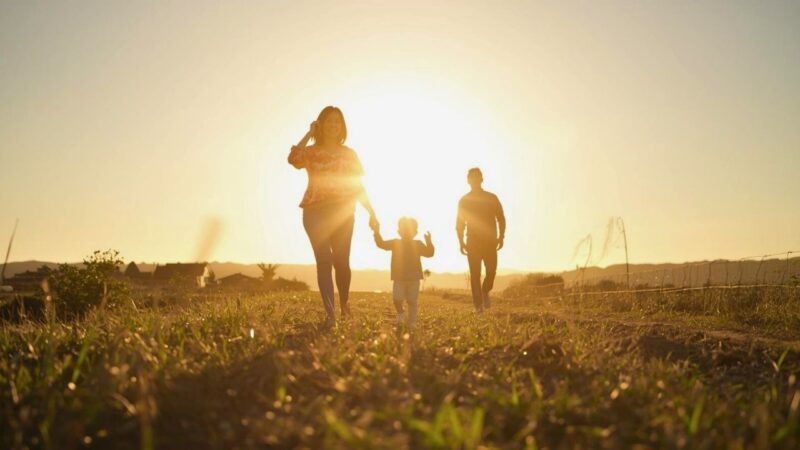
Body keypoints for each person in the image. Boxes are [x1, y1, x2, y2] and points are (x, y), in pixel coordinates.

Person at [288, 106, 378, 328]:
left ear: (342, 126)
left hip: (342, 213)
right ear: (320, 124)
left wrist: (372, 212)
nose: (333, 125)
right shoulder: (311, 151)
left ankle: (344, 303)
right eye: (328, 121)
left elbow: (357, 186)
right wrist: (309, 134)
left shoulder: (349, 154)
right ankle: (331, 315)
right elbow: (293, 158)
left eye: (337, 121)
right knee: (324, 261)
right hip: (314, 211)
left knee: (341, 262)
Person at [456, 168, 506, 312]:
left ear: (481, 179)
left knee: (491, 272)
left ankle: (485, 291)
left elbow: (501, 218)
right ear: (468, 180)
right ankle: (478, 306)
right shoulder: (464, 201)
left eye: (477, 177)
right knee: (475, 274)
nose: (474, 180)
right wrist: (461, 242)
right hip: (473, 242)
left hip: (490, 241)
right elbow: (459, 223)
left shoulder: (491, 197)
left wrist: (501, 237)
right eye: (471, 177)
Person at [373, 217, 434, 329]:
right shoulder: (395, 243)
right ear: (399, 231)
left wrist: (429, 241)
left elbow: (430, 253)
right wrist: (376, 232)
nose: (406, 232)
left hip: (414, 278)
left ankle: (412, 323)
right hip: (399, 278)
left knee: (412, 301)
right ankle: (400, 312)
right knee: (397, 299)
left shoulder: (418, 244)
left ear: (415, 232)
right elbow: (381, 244)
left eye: (409, 230)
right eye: (403, 229)